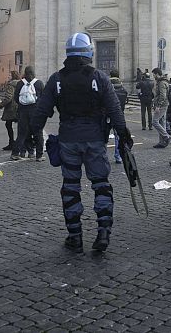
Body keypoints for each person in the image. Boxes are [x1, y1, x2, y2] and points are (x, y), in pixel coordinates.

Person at [30, 33, 133, 253]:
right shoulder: (100, 78)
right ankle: (103, 232)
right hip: (95, 139)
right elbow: (115, 110)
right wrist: (124, 135)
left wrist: (32, 133)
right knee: (101, 185)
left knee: (70, 187)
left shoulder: (56, 79)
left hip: (68, 140)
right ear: (89, 53)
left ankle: (75, 235)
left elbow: (41, 111)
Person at [11, 66, 45, 161]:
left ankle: (15, 153)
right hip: (36, 111)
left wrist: (22, 104)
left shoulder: (20, 83)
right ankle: (39, 155)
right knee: (38, 133)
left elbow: (16, 98)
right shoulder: (39, 83)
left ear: (25, 73)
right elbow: (43, 97)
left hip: (23, 111)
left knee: (22, 133)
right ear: (33, 73)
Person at [0, 70, 21, 151]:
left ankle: (12, 143)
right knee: (21, 126)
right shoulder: (21, 83)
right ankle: (21, 143)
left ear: (13, 76)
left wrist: (1, 105)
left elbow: (8, 97)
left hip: (11, 108)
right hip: (19, 107)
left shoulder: (11, 85)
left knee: (8, 125)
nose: (8, 77)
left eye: (9, 75)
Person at [109, 71, 128, 164]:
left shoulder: (107, 88)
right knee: (118, 137)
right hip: (119, 115)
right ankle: (118, 156)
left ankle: (101, 156)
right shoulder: (123, 89)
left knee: (102, 136)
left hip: (107, 116)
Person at [151, 67, 171, 148]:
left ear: (157, 74)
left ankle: (166, 136)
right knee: (162, 122)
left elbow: (163, 96)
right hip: (164, 104)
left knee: (155, 121)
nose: (153, 76)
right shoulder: (162, 81)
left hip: (162, 105)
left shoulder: (161, 83)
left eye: (154, 74)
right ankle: (162, 142)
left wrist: (158, 106)